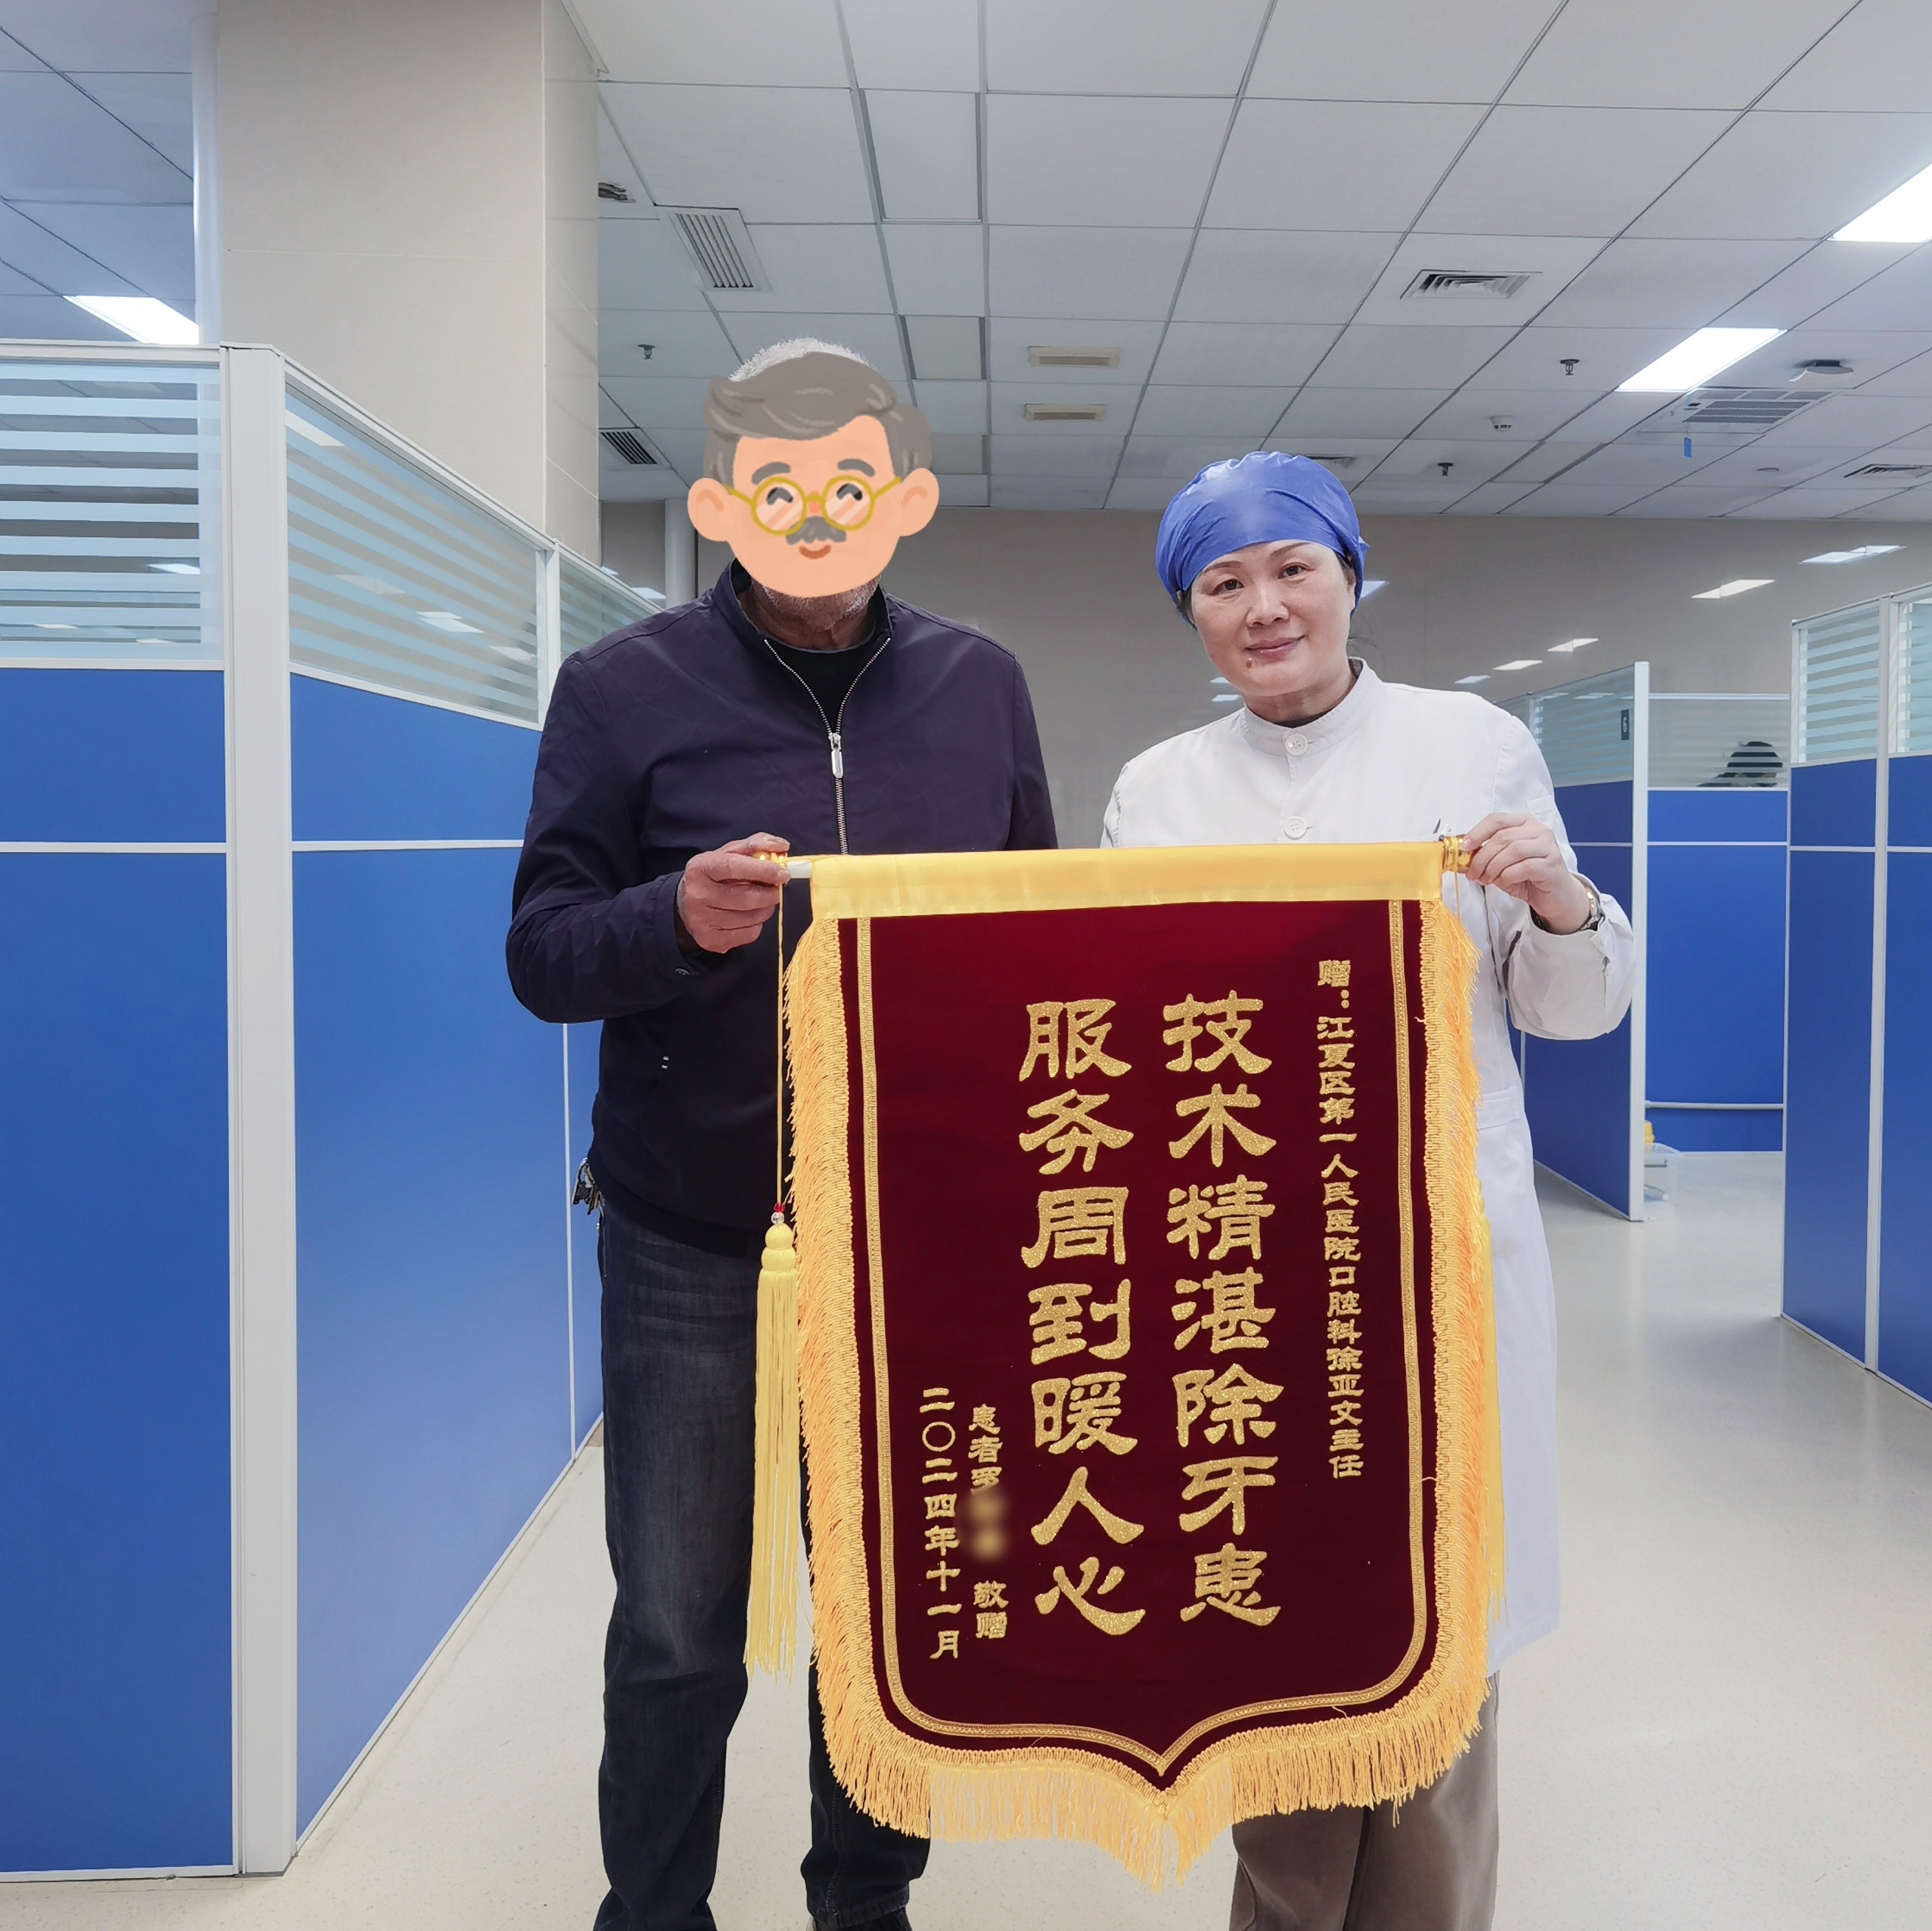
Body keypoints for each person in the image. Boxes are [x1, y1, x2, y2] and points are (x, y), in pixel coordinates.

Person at [507, 339, 1055, 1931]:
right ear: (725, 503)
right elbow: (541, 954)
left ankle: (864, 1904)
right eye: (783, 489)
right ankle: (653, 1911)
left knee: (890, 1616)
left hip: (916, 1241)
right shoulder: (622, 688)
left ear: (905, 497)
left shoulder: (983, 685)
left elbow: (1035, 945)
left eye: (850, 486)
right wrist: (672, 920)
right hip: (694, 1239)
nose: (818, 520)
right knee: (678, 1623)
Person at [1101, 451, 1635, 1931]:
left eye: (1293, 569)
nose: (1264, 607)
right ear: (1193, 613)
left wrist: (1559, 900)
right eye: (1224, 583)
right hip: (1242, 1270)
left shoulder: (1472, 744)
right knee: (1274, 1620)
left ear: (1348, 577)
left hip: (1438, 1257)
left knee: (1442, 1628)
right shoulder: (1159, 789)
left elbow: (1573, 1008)